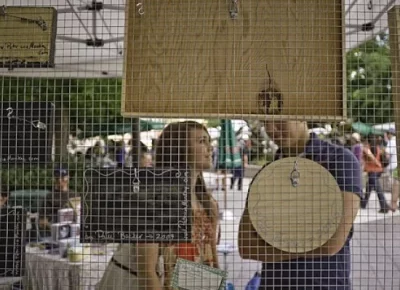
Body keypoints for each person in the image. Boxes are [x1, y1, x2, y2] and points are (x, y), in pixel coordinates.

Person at [238, 120, 361, 290]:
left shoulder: (339, 160)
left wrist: (274, 244)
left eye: (280, 121)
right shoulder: (266, 172)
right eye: (266, 122)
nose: (272, 129)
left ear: (302, 116)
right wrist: (311, 242)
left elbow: (332, 243)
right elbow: (246, 246)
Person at [96, 121, 220, 290]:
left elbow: (211, 261)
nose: (210, 147)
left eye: (209, 141)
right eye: (201, 141)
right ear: (180, 149)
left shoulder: (209, 205)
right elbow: (147, 273)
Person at [360, 135, 390, 213]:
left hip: (372, 171)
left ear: (367, 140)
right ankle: (363, 204)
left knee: (378, 189)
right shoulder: (378, 147)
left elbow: (371, 158)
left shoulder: (367, 148)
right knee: (369, 187)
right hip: (378, 171)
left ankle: (384, 206)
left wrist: (377, 164)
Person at [384, 129, 399, 211]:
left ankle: (393, 204)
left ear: (389, 134)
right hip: (397, 166)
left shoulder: (391, 141)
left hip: (393, 167)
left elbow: (387, 155)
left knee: (395, 185)